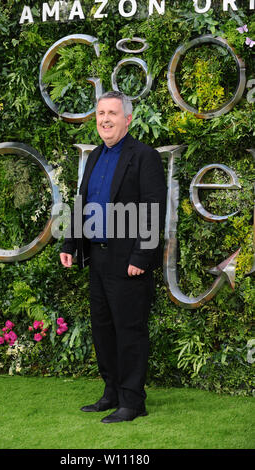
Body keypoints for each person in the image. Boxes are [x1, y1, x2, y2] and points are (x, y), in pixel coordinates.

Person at [60, 91, 166, 423]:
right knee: (103, 330)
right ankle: (112, 394)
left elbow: (154, 209)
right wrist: (69, 244)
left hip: (129, 262)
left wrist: (142, 256)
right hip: (98, 258)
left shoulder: (144, 156)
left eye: (112, 113)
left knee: (129, 331)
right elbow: (83, 202)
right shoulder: (94, 156)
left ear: (127, 119)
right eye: (100, 113)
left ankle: (133, 402)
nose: (105, 119)